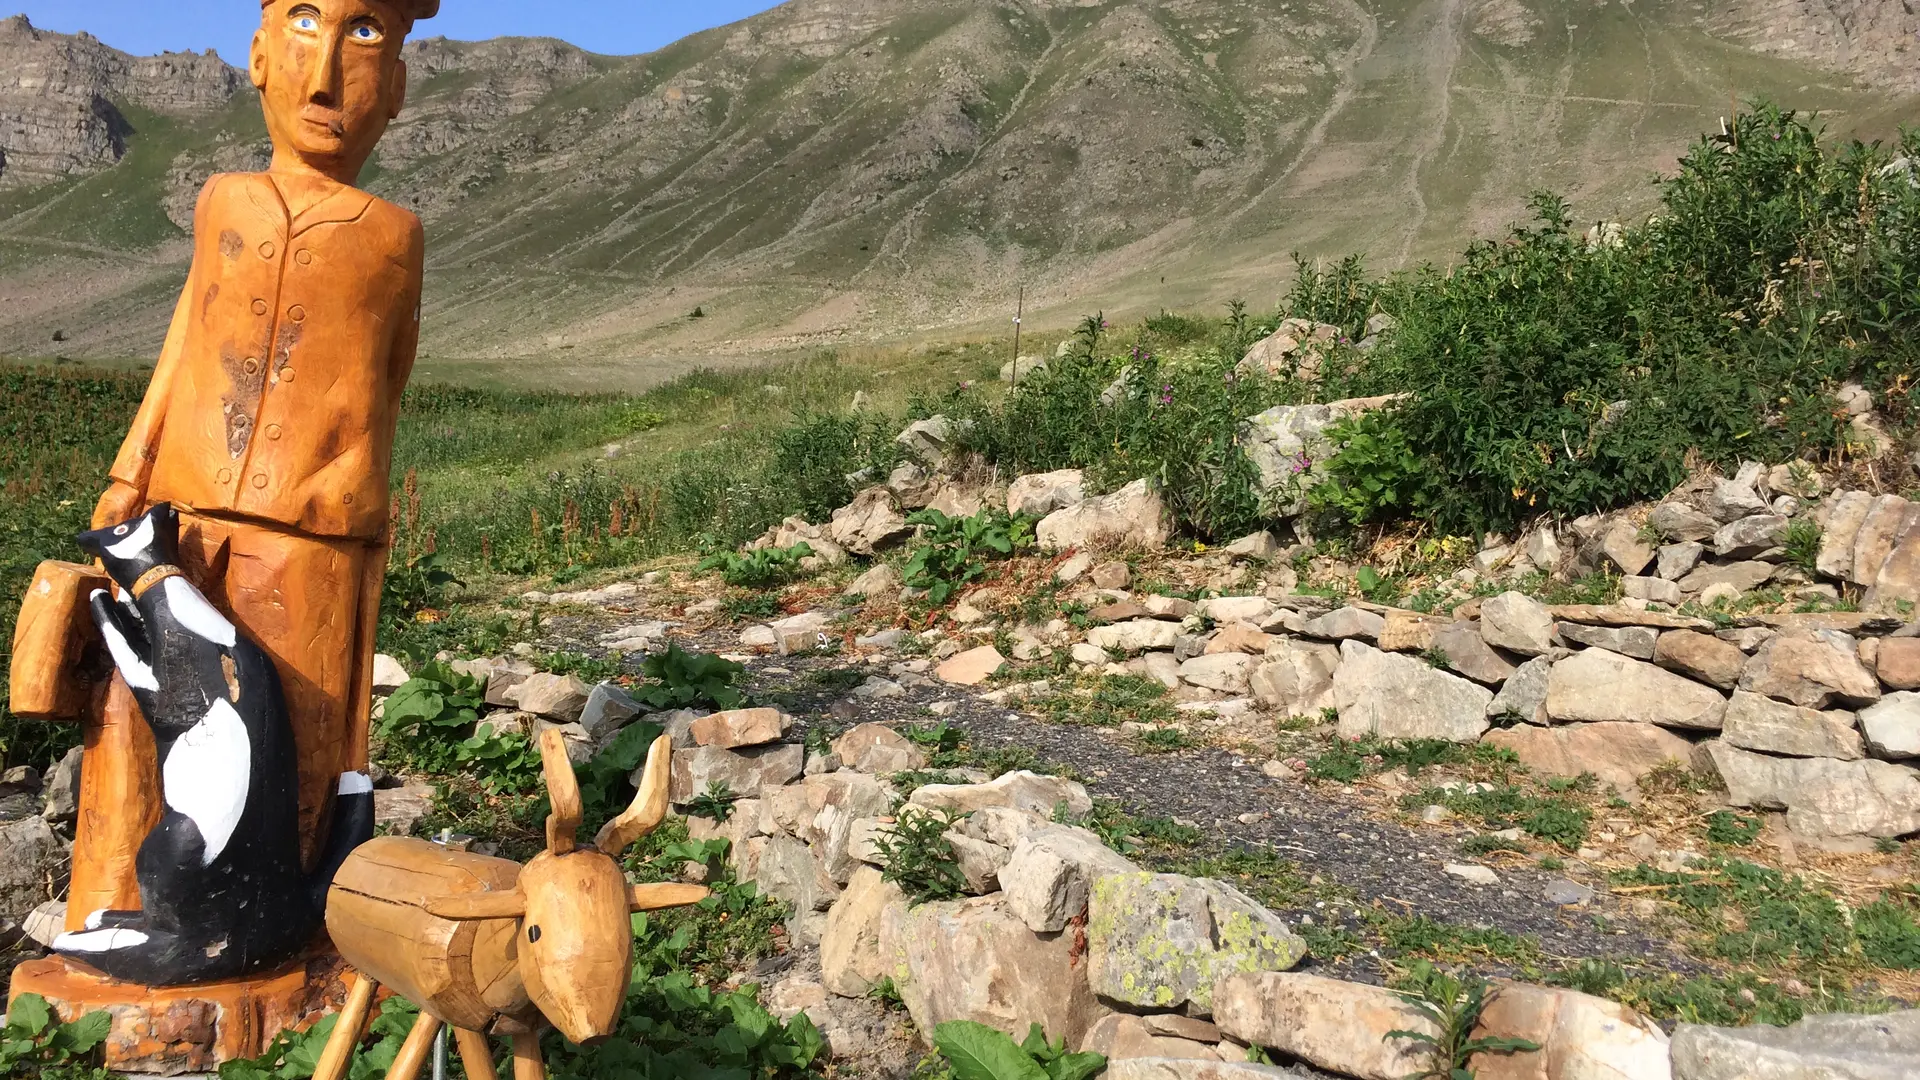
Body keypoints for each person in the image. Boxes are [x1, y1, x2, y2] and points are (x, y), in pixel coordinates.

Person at [83, 0, 438, 896]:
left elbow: (386, 381)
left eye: (364, 35)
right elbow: (184, 338)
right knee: (134, 712)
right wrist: (131, 469)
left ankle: (278, 919)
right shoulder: (223, 201)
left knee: (295, 740)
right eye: (304, 23)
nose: (323, 79)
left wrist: (355, 509)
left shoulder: (393, 237)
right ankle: (110, 903)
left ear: (397, 85)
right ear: (258, 54)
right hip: (182, 511)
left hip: (309, 534)